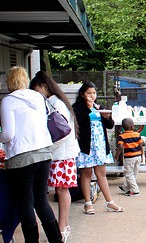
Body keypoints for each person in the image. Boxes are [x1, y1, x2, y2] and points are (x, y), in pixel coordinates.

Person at [0, 67, 63, 243]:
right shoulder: (38, 97)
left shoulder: (8, 101)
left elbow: (8, 134)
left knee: (25, 202)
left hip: (21, 157)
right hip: (44, 153)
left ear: (9, 81)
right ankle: (55, 239)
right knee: (41, 201)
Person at [29, 70, 79, 241]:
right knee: (61, 189)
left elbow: (63, 132)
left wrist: (48, 148)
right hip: (62, 152)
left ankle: (63, 226)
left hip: (61, 153)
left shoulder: (55, 103)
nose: (37, 95)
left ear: (44, 86)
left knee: (61, 189)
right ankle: (62, 225)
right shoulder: (57, 101)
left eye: (37, 91)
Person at [73, 81, 124, 215]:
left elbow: (110, 125)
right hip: (86, 145)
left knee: (101, 173)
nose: (92, 96)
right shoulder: (77, 107)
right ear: (82, 94)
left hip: (100, 144)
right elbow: (77, 124)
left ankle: (110, 202)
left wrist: (107, 117)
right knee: (86, 173)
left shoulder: (99, 106)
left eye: (94, 93)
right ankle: (88, 203)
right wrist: (89, 108)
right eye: (89, 93)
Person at [115, 118, 143, 197]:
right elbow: (141, 145)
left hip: (129, 157)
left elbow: (120, 147)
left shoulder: (122, 136)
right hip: (138, 156)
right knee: (134, 173)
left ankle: (135, 190)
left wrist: (117, 155)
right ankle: (125, 187)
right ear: (132, 126)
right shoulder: (137, 134)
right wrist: (142, 155)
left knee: (128, 174)